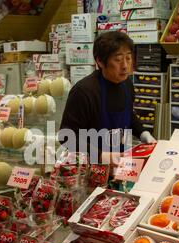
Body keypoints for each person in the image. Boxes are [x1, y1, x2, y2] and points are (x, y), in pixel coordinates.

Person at [60, 31, 156, 165]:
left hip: (122, 163)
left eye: (128, 58)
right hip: (91, 167)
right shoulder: (84, 91)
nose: (125, 66)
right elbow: (66, 136)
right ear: (100, 61)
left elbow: (128, 114)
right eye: (118, 59)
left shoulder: (127, 84)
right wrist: (101, 156)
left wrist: (143, 133)